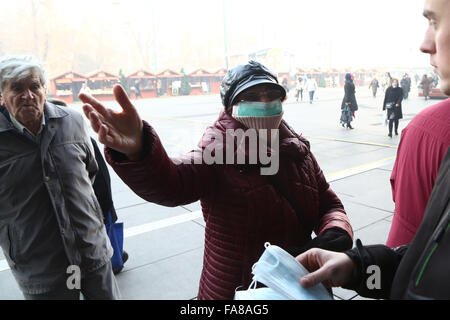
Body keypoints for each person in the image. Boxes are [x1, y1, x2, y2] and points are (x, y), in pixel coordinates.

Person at [79, 60, 354, 300]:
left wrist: (335, 232)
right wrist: (139, 150)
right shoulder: (217, 149)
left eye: (272, 94)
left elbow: (328, 202)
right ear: (232, 105)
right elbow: (172, 182)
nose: (265, 102)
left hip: (300, 283)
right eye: (252, 96)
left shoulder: (297, 148)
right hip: (235, 289)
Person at [296, 0, 450, 300]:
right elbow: (428, 263)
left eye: (435, 21)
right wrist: (357, 267)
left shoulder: (429, 128)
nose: (425, 43)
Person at [0, 55, 120, 300]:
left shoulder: (72, 121)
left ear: (45, 89)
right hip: (40, 267)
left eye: (34, 86)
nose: (28, 95)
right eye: (17, 88)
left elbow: (91, 174)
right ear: (2, 94)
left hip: (92, 253)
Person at [47, 98, 130, 272]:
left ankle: (114, 260)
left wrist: (105, 206)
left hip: (95, 203)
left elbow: (100, 176)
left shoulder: (83, 140)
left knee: (101, 238)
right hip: (86, 207)